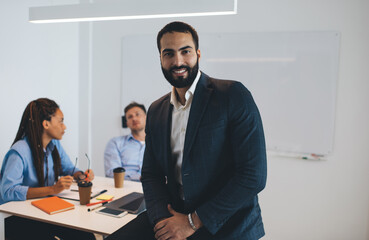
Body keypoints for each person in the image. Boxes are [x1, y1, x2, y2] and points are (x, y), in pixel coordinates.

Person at [107, 21, 267, 240]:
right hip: (174, 215)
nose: (178, 61)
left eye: (185, 51)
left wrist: (192, 222)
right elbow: (151, 174)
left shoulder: (232, 95)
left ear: (198, 54)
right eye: (169, 54)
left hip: (227, 224)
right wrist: (164, 220)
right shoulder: (156, 110)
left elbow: (253, 176)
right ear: (161, 59)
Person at [0, 98, 95, 239]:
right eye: (61, 121)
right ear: (46, 124)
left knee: (86, 236)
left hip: (46, 211)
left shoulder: (54, 144)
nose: (65, 127)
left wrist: (81, 175)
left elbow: (68, 167)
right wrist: (52, 189)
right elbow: (8, 191)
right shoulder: (19, 152)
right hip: (21, 218)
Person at [104, 102, 146, 181]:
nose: (134, 118)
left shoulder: (158, 143)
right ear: (126, 123)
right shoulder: (115, 143)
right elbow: (111, 172)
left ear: (146, 117)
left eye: (137, 114)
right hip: (125, 187)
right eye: (130, 117)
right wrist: (140, 177)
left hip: (153, 187)